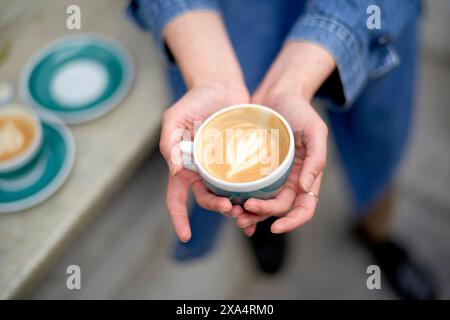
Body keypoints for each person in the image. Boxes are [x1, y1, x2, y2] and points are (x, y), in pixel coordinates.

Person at [127, 0, 436, 299]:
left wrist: (330, 37)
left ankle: (379, 233)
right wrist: (209, 75)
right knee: (253, 151)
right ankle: (262, 217)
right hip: (233, 17)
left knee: (378, 142)